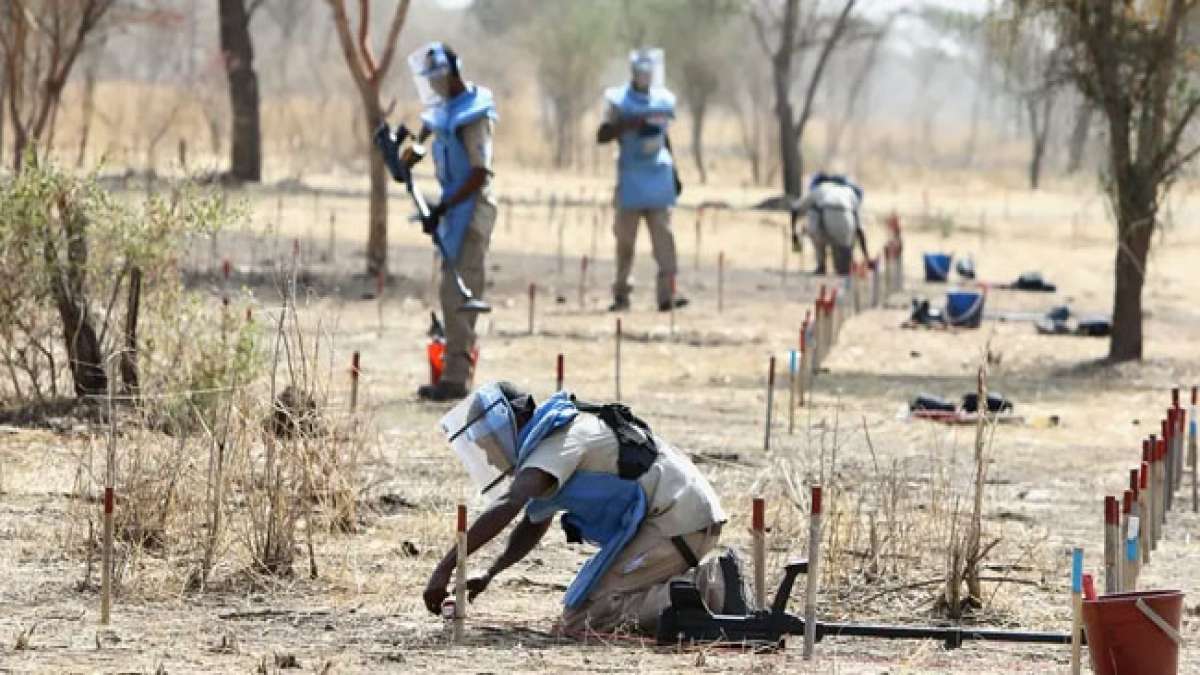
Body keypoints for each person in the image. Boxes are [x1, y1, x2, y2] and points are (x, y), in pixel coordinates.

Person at [422, 382, 751, 635]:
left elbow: (510, 503)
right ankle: (695, 593)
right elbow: (532, 524)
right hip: (678, 520)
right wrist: (491, 572)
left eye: (491, 443)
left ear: (518, 419)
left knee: (586, 617)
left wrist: (445, 567)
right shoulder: (552, 440)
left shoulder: (558, 439)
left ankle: (713, 584)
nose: (491, 456)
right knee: (582, 606)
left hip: (678, 521)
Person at [404, 42, 498, 401]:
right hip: (453, 211)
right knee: (448, 290)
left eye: (437, 77)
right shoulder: (443, 111)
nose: (433, 85)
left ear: (452, 73)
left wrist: (444, 206)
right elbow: (423, 137)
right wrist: (408, 152)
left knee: (460, 292)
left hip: (471, 212)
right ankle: (452, 372)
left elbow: (479, 172)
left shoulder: (474, 113)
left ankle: (456, 379)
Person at [596, 48, 688, 313]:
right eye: (640, 72)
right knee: (625, 242)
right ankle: (622, 294)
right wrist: (629, 125)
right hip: (631, 177)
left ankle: (668, 294)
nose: (645, 77)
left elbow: (664, 137)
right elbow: (602, 135)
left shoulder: (662, 101)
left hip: (658, 177)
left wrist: (674, 173)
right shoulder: (619, 101)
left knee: (664, 240)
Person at [790, 172, 870, 276]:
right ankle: (846, 265)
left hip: (825, 228)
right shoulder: (849, 192)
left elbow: (796, 208)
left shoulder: (819, 189)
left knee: (813, 215)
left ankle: (821, 265)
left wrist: (794, 233)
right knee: (843, 269)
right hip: (847, 227)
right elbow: (860, 229)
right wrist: (866, 255)